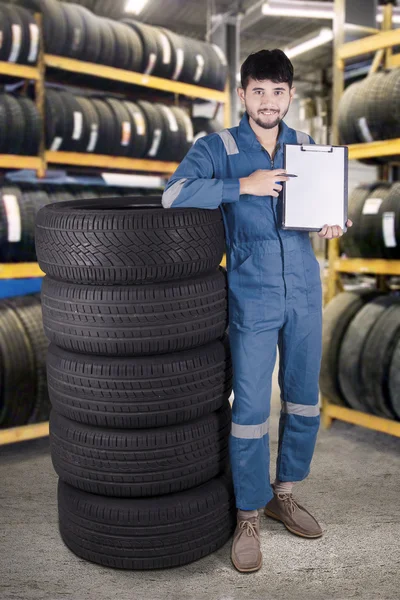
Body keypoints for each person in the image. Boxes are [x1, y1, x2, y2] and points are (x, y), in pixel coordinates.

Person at [161, 49, 352, 573]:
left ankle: (283, 492)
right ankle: (248, 513)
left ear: (291, 96)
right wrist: (240, 186)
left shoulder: (308, 148)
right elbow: (173, 194)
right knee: (249, 410)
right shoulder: (218, 147)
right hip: (251, 291)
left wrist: (329, 223)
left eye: (279, 92)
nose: (269, 102)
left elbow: (321, 212)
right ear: (242, 94)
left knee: (303, 399)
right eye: (259, 91)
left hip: (305, 292)